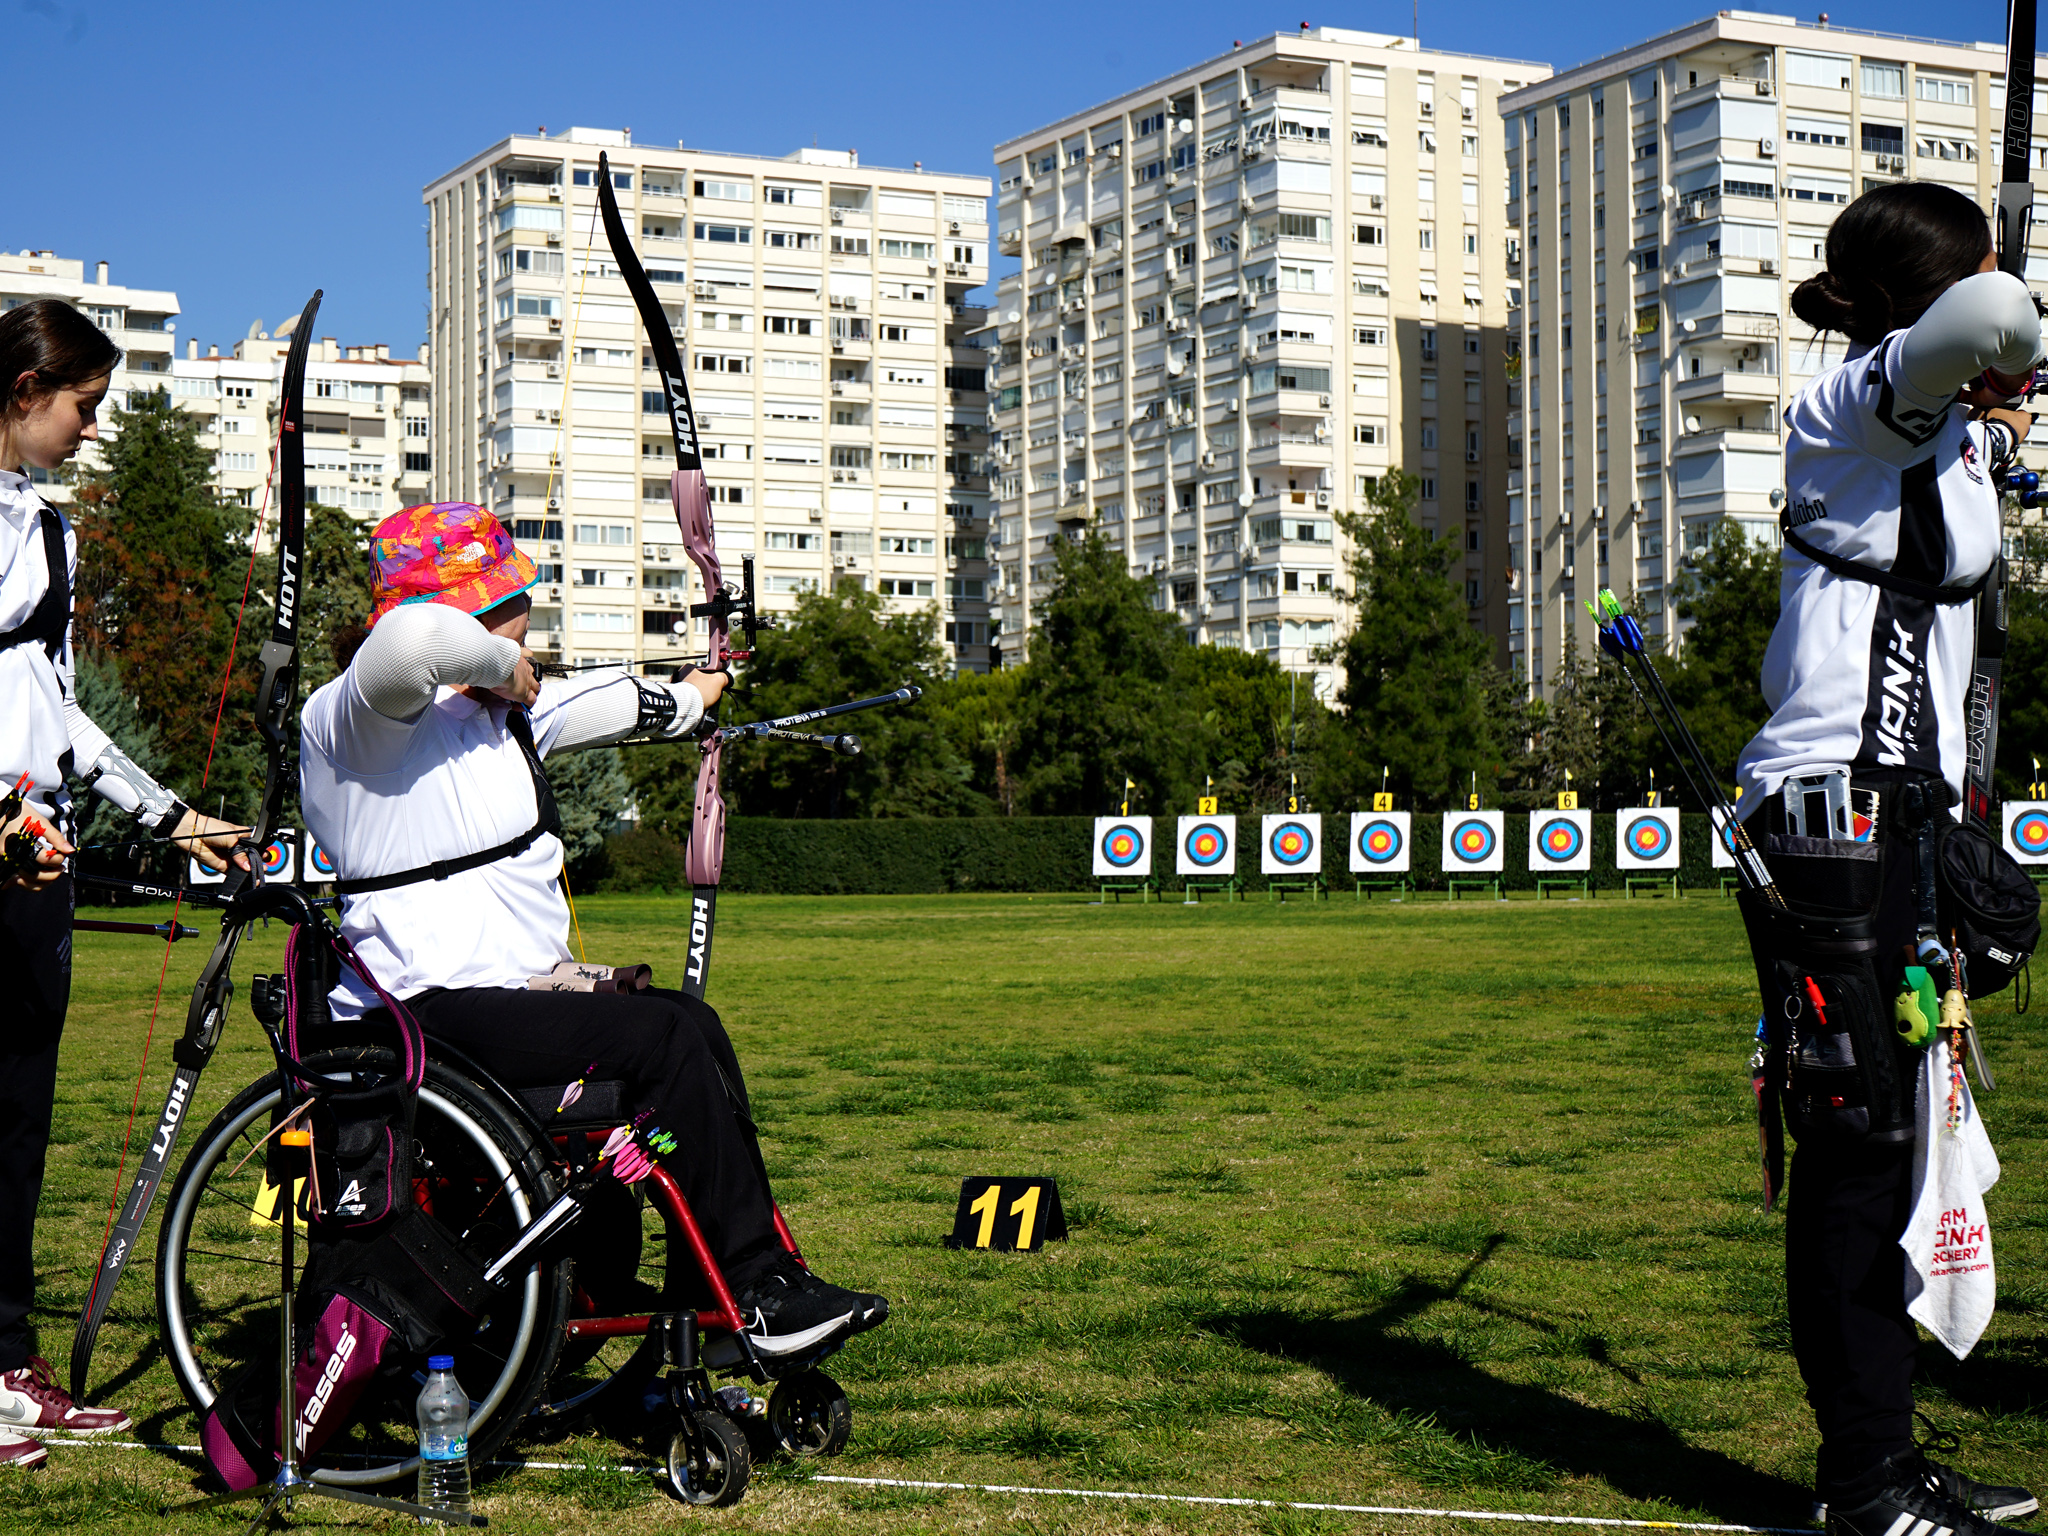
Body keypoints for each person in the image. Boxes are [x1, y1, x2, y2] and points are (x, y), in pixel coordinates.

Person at [298, 501, 887, 1361]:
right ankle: (753, 1288)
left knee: (692, 1024)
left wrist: (707, 681)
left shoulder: (499, 717)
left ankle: (724, 1301)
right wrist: (502, 664)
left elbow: (636, 704)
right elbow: (411, 647)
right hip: (423, 1008)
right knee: (659, 1042)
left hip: (513, 997)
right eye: (500, 608)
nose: (521, 620)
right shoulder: (359, 718)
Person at [1736, 182, 2042, 1536]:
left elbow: (1987, 339)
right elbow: (1990, 316)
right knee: (1861, 1148)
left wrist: (2004, 409)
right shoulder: (1852, 404)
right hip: (1835, 819)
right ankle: (1862, 1488)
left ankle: (1891, 1458)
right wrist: (2009, 327)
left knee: (1906, 1140)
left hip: (1904, 816)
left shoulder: (1941, 431)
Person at [0, 298, 248, 1465]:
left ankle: (5, 1364)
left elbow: (58, 714)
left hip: (31, 858)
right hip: (5, 837)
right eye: (83, 407)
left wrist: (173, 816)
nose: (91, 430)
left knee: (16, 1120)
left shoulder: (50, 534)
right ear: (22, 389)